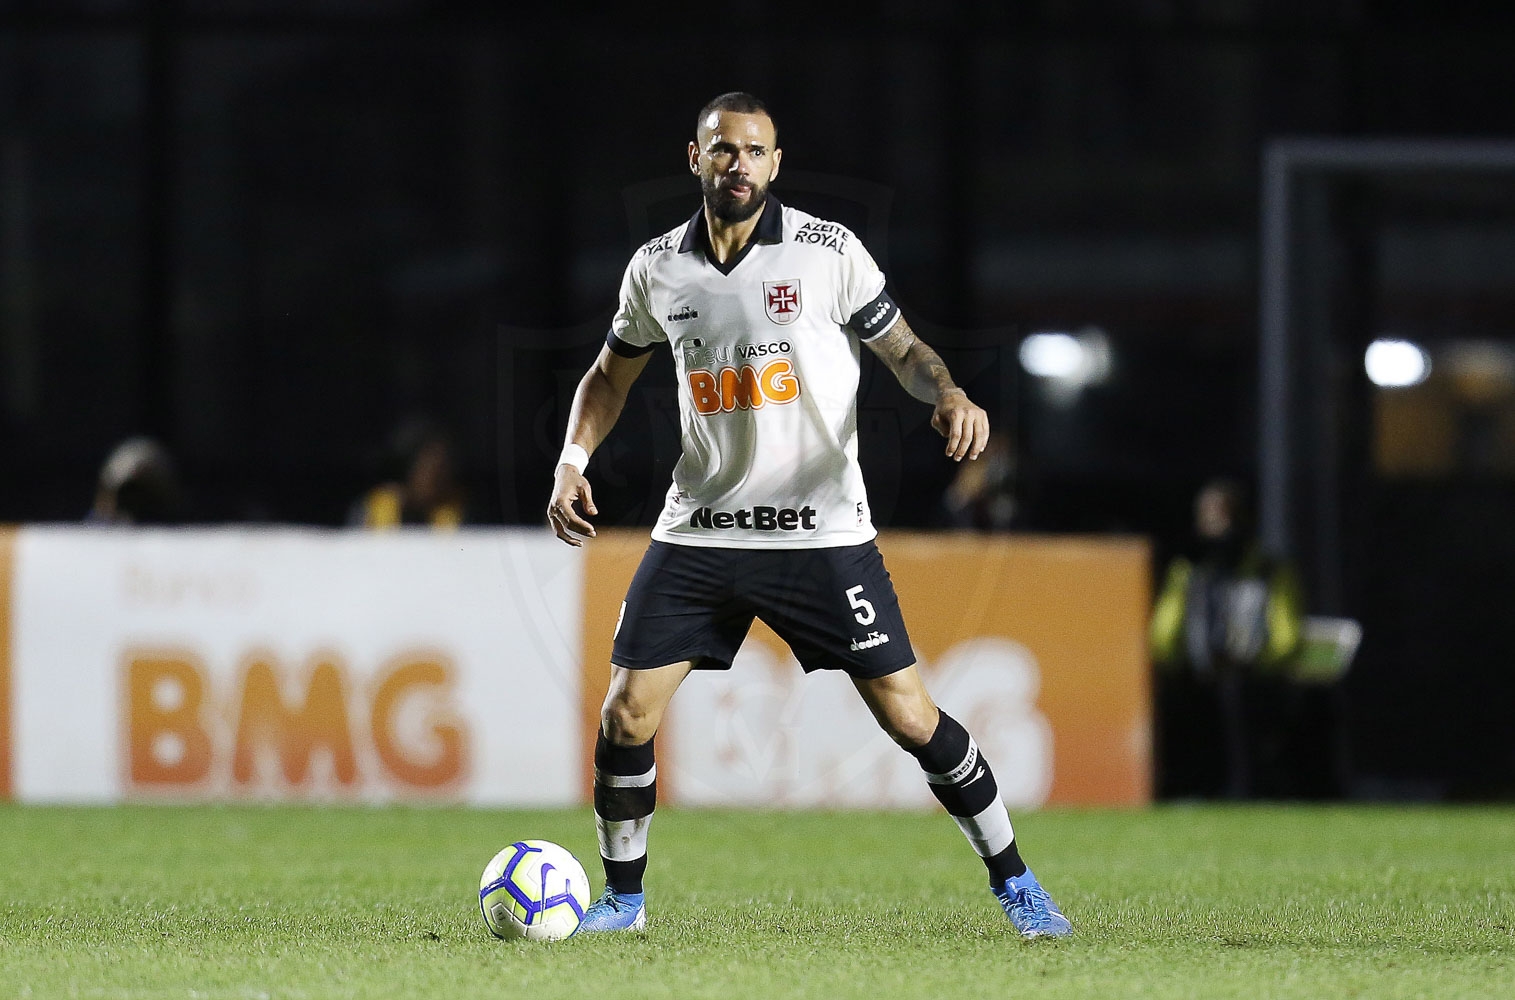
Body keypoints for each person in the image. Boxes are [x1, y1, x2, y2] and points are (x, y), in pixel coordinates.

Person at [545, 92, 1070, 939]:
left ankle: (1016, 881)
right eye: (724, 150)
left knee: (909, 716)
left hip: (819, 534)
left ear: (776, 163)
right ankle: (623, 902)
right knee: (625, 714)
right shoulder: (656, 268)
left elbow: (901, 348)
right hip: (701, 531)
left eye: (755, 152)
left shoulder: (828, 253)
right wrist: (572, 461)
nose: (739, 165)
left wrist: (948, 392)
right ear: (695, 159)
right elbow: (608, 375)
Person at [1149, 478, 1304, 797]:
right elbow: (1164, 632)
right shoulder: (1190, 573)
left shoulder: (1267, 572)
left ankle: (1248, 788)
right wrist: (1178, 664)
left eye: (1225, 519)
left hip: (1255, 681)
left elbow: (1285, 636)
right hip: (1199, 677)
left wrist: (1252, 663)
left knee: (1242, 706)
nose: (1219, 530)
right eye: (1210, 520)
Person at [348, 418, 465, 529]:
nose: (440, 481)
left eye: (444, 470)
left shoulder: (457, 509)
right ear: (409, 468)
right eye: (434, 472)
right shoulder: (374, 507)